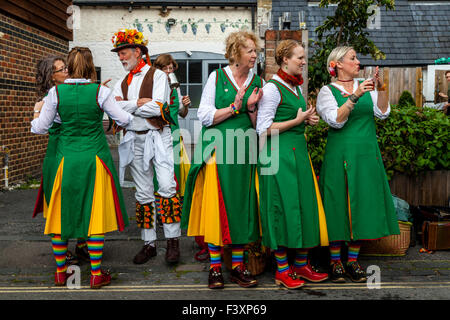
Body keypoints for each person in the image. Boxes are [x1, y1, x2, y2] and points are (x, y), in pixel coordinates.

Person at [31, 47, 133, 289]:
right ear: (90, 67)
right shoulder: (101, 91)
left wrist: (38, 113)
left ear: (69, 66)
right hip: (94, 159)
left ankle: (60, 273)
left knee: (61, 214)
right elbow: (124, 120)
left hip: (65, 160)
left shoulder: (55, 92)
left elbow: (40, 127)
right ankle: (96, 274)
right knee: (93, 213)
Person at [181, 30, 264, 289]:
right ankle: (215, 268)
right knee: (217, 207)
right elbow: (204, 116)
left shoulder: (257, 80)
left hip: (244, 152)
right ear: (236, 52)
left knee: (241, 208)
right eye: (250, 50)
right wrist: (235, 106)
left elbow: (258, 124)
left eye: (255, 51)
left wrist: (250, 108)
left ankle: (238, 267)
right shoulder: (216, 77)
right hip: (218, 150)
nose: (255, 55)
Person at [316, 46, 400, 283]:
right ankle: (335, 262)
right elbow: (335, 121)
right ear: (338, 64)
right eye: (352, 58)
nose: (358, 62)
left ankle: (352, 261)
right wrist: (354, 96)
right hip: (340, 155)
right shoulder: (327, 91)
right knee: (337, 205)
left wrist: (381, 88)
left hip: (365, 155)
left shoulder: (366, 86)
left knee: (361, 204)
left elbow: (383, 113)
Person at [256, 40, 330, 289]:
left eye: (303, 57)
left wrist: (305, 121)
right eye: (299, 57)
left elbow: (291, 118)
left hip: (297, 154)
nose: (303, 61)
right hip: (277, 155)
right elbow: (263, 129)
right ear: (284, 60)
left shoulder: (295, 87)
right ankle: (282, 270)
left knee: (303, 208)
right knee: (280, 210)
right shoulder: (272, 89)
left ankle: (301, 264)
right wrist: (297, 120)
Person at [111, 29, 182, 264]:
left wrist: (127, 106)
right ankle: (149, 243)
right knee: (142, 193)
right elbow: (115, 113)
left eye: (124, 52)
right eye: (119, 54)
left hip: (157, 136)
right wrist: (137, 104)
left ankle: (173, 242)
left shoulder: (158, 76)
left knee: (166, 187)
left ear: (138, 51)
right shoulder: (121, 81)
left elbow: (159, 109)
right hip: (134, 138)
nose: (121, 57)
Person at [32, 55, 90, 265]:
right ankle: (65, 252)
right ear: (51, 77)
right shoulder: (51, 96)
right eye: (61, 69)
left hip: (69, 151)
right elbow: (39, 129)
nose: (67, 71)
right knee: (59, 202)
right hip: (56, 152)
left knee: (77, 197)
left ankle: (81, 245)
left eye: (66, 67)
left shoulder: (69, 92)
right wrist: (37, 110)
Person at [153, 54, 191, 213]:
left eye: (171, 68)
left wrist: (186, 105)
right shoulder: (155, 87)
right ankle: (161, 210)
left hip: (176, 133)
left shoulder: (175, 88)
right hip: (160, 133)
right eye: (165, 68)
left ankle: (175, 208)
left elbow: (183, 114)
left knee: (178, 171)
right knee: (161, 172)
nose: (169, 71)